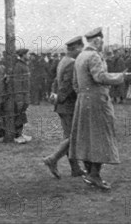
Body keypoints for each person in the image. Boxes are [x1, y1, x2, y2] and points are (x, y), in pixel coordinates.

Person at [69, 27, 125, 190]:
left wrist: (84, 95)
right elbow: (99, 77)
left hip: (83, 101)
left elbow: (75, 83)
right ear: (97, 41)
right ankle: (94, 174)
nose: (102, 44)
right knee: (101, 136)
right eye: (101, 41)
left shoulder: (80, 56)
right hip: (97, 101)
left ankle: (89, 172)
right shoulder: (93, 56)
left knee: (86, 137)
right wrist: (121, 77)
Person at [42, 36, 86, 179]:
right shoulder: (72, 63)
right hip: (68, 106)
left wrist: (55, 97)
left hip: (62, 105)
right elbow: (67, 86)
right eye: (81, 49)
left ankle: (75, 169)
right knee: (73, 137)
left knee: (69, 137)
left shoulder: (63, 61)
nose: (82, 52)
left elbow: (56, 82)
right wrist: (59, 98)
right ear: (76, 48)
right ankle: (52, 159)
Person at [13, 49, 32, 144]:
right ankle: (16, 135)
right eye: (27, 54)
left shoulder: (24, 65)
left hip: (25, 93)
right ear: (23, 55)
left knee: (22, 114)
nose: (29, 55)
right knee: (18, 114)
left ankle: (20, 133)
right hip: (21, 95)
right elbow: (17, 83)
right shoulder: (18, 66)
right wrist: (19, 98)